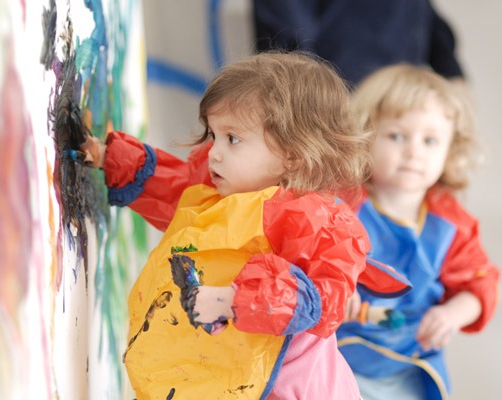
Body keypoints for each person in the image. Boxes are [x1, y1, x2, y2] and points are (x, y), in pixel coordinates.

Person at [76, 52, 410, 399]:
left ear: (293, 153)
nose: (215, 152)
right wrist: (108, 158)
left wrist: (232, 300)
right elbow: (173, 189)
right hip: (219, 377)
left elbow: (321, 302)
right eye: (213, 134)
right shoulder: (219, 193)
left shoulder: (313, 220)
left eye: (232, 138)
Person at [336, 64, 499, 400]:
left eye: (430, 141)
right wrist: (334, 280)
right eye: (396, 136)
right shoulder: (341, 202)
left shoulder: (452, 224)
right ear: (364, 137)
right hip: (335, 357)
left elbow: (480, 284)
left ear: (450, 150)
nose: (414, 152)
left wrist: (451, 314)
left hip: (411, 365)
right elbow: (304, 252)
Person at [253, 0, 465, 86]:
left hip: (400, 100)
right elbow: (289, 35)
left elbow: (421, 13)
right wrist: (314, 98)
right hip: (338, 99)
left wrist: (452, 73)